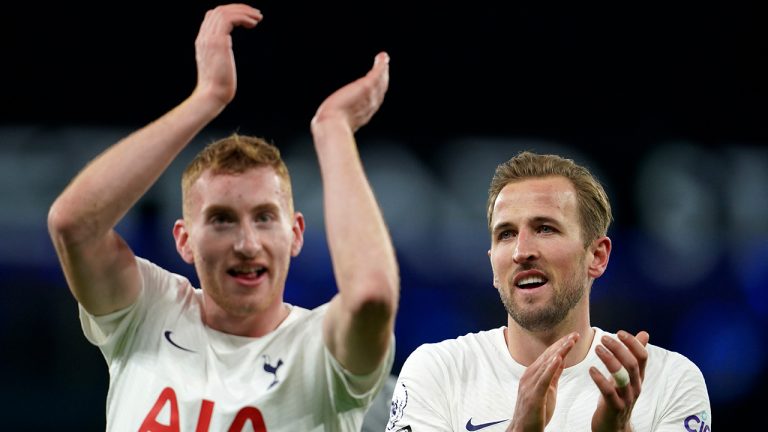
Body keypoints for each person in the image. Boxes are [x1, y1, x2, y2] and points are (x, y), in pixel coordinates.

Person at [47, 4, 399, 431]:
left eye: (264, 218)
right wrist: (206, 98)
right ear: (184, 239)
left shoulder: (321, 351)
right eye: (221, 220)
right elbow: (73, 225)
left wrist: (334, 129)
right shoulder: (148, 314)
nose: (247, 244)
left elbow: (371, 296)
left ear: (295, 234)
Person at [387, 151, 711, 432]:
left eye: (545, 229)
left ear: (597, 256)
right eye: (506, 234)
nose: (521, 251)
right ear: (493, 265)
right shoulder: (437, 372)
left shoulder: (671, 381)